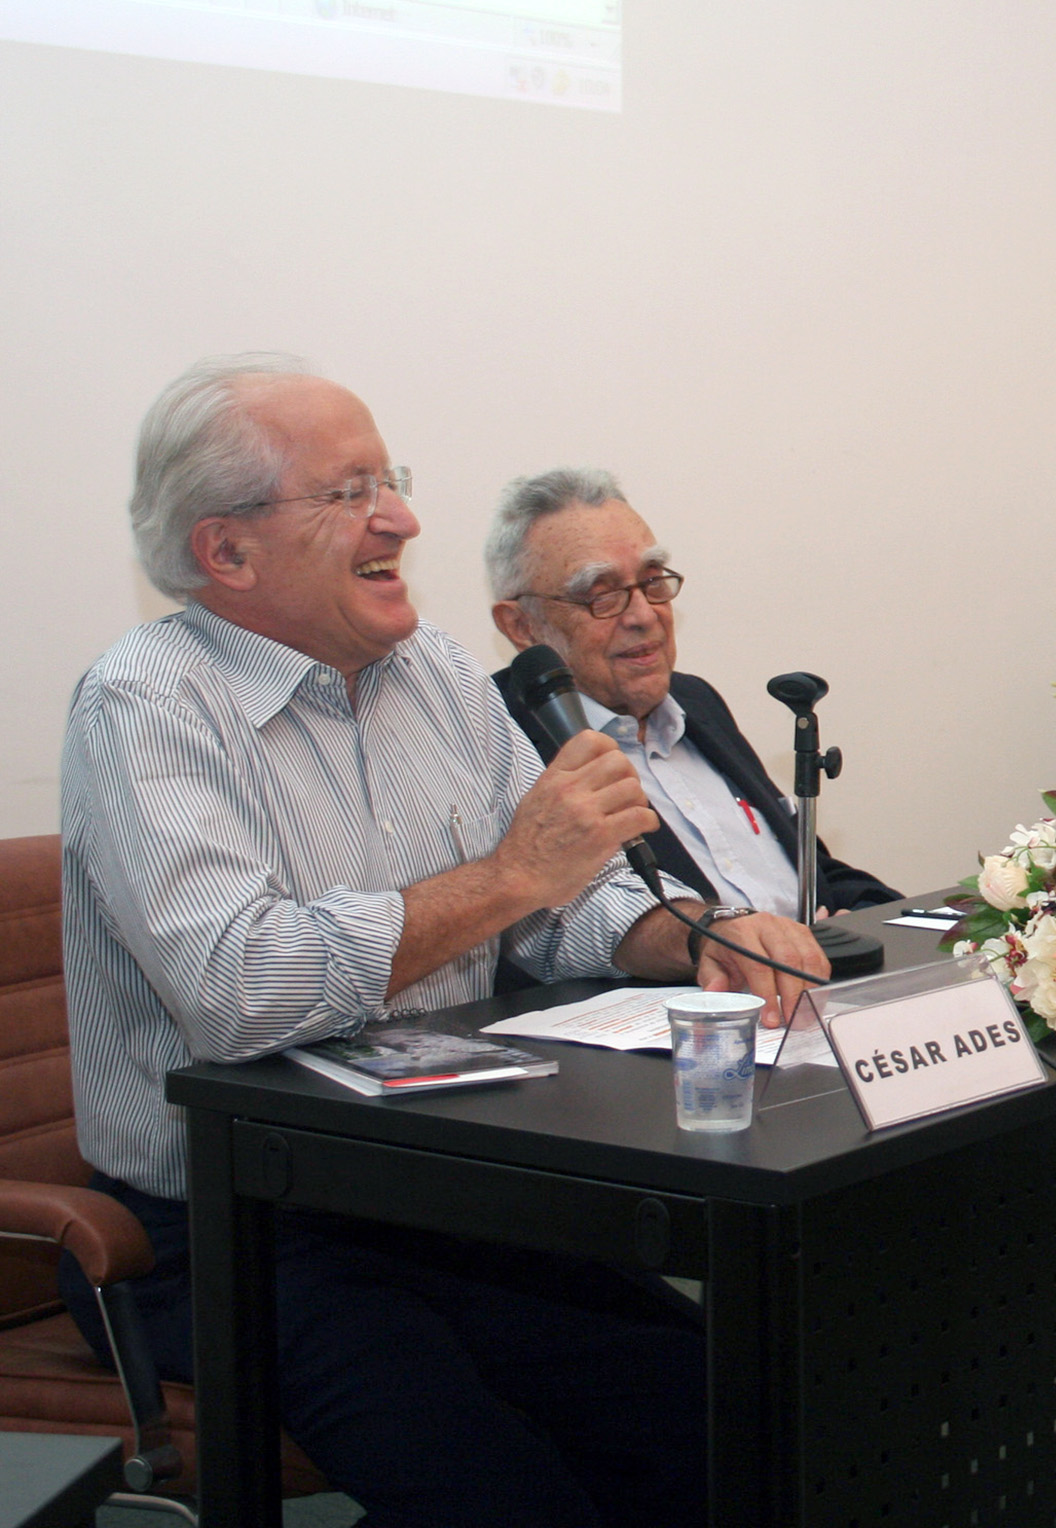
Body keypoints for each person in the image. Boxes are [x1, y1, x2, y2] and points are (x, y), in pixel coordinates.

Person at [60, 355, 828, 1528]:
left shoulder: (439, 680)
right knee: (506, 1499)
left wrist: (702, 935)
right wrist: (509, 872)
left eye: (392, 479)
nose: (403, 518)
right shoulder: (145, 704)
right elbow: (235, 986)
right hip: (238, 1225)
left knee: (732, 1429)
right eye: (349, 490)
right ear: (229, 552)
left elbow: (573, 907)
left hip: (449, 1193)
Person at [484, 467, 899, 920]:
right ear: (521, 626)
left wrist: (883, 924)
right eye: (601, 595)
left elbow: (814, 874)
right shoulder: (496, 745)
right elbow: (553, 945)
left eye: (652, 581)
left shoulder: (695, 702)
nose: (644, 615)